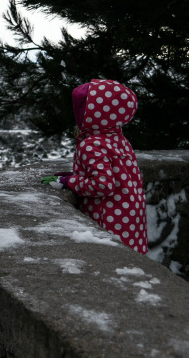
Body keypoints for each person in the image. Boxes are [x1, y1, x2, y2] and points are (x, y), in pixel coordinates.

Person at [43, 79, 148, 254]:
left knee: (112, 264)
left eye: (79, 108)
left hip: (108, 221)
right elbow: (113, 172)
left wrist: (69, 182)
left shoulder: (91, 144)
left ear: (92, 113)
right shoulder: (117, 138)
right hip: (128, 220)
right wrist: (76, 174)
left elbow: (103, 185)